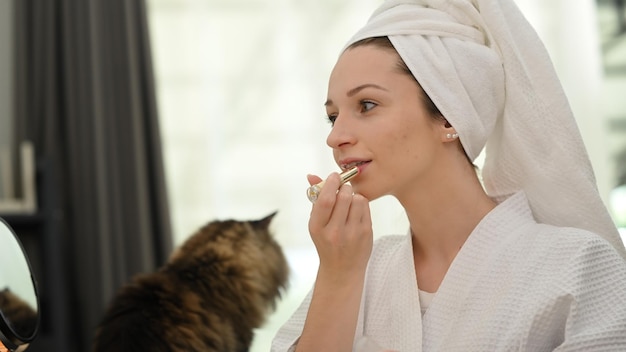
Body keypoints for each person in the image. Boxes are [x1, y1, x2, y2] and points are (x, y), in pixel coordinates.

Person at [271, 0, 626, 351]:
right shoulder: (356, 266)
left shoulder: (579, 268)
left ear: (449, 118)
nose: (335, 136)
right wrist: (338, 278)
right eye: (333, 117)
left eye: (366, 105)